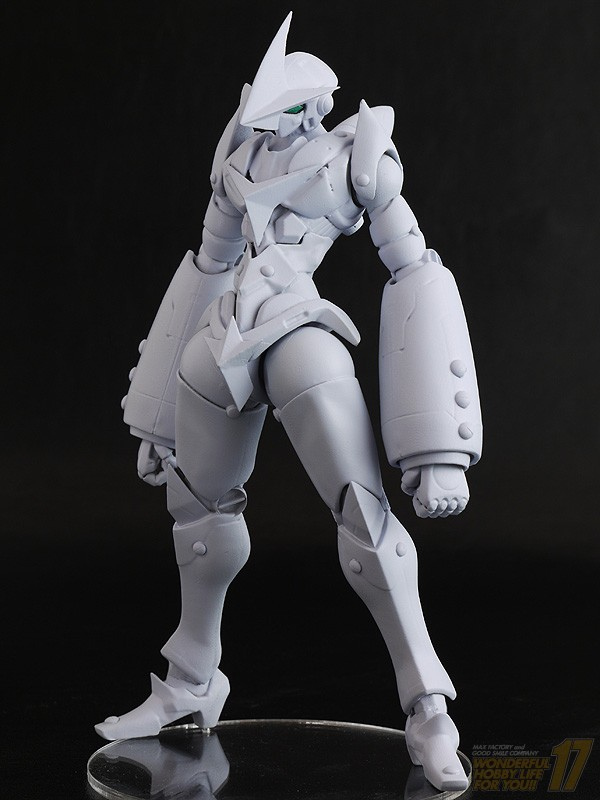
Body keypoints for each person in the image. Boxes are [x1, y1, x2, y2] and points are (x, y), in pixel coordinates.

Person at [96, 13, 482, 792]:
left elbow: (414, 270)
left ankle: (428, 709)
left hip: (300, 332)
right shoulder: (238, 156)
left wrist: (438, 449)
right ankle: (192, 682)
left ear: (311, 106)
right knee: (197, 518)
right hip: (223, 337)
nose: (263, 116)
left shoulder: (357, 160)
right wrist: (155, 414)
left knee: (365, 519)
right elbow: (208, 264)